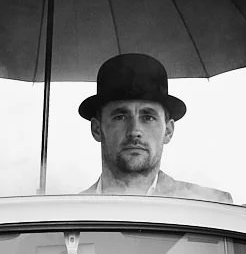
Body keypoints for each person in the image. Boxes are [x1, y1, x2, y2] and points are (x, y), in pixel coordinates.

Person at [79, 54, 234, 201]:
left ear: (168, 131)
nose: (134, 131)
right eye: (120, 117)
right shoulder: (71, 215)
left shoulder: (211, 208)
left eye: (148, 118)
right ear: (97, 129)